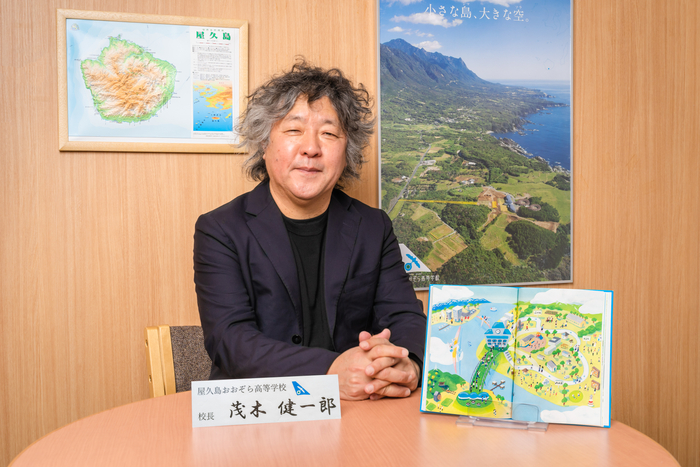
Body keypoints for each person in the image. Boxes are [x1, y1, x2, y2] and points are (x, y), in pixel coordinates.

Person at [193, 60, 426, 401]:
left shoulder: (373, 226)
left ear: (347, 152)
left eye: (329, 134)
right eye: (293, 130)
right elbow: (230, 341)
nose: (312, 148)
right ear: (264, 143)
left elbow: (404, 315)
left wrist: (409, 364)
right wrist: (331, 371)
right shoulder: (220, 229)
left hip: (358, 407)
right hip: (261, 408)